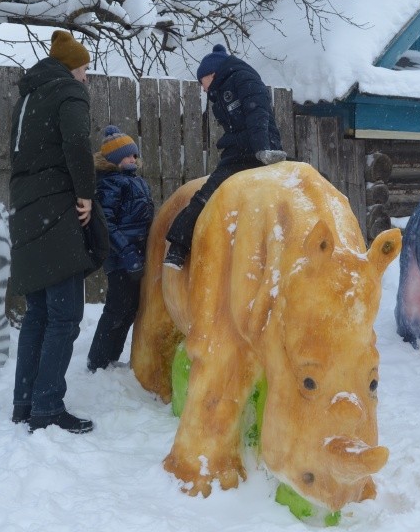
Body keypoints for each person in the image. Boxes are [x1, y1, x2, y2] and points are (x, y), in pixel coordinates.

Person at [8, 29, 98, 434]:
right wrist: (86, 194)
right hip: (57, 208)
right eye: (84, 70)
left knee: (38, 313)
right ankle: (46, 407)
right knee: (64, 315)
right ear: (71, 68)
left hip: (25, 209)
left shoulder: (28, 98)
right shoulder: (68, 93)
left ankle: (24, 402)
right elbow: (77, 143)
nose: (86, 78)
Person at [164, 44, 286, 269]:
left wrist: (263, 150)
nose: (202, 89)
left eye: (202, 81)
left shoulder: (243, 78)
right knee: (207, 195)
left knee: (208, 196)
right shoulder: (222, 91)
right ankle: (178, 247)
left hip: (261, 151)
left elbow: (257, 113)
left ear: (211, 73)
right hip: (238, 151)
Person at [87, 125, 154, 372]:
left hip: (137, 256)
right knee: (117, 308)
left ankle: (111, 358)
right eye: (127, 155)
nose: (132, 159)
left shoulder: (136, 182)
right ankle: (98, 361)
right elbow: (107, 224)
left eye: (134, 155)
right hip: (121, 258)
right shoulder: (110, 184)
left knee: (129, 309)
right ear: (113, 160)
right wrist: (127, 254)